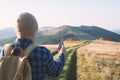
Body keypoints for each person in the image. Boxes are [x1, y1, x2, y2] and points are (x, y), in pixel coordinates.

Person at [0, 12, 66, 80]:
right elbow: (55, 72)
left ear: (16, 29)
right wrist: (61, 54)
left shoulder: (4, 51)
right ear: (35, 28)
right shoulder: (42, 52)